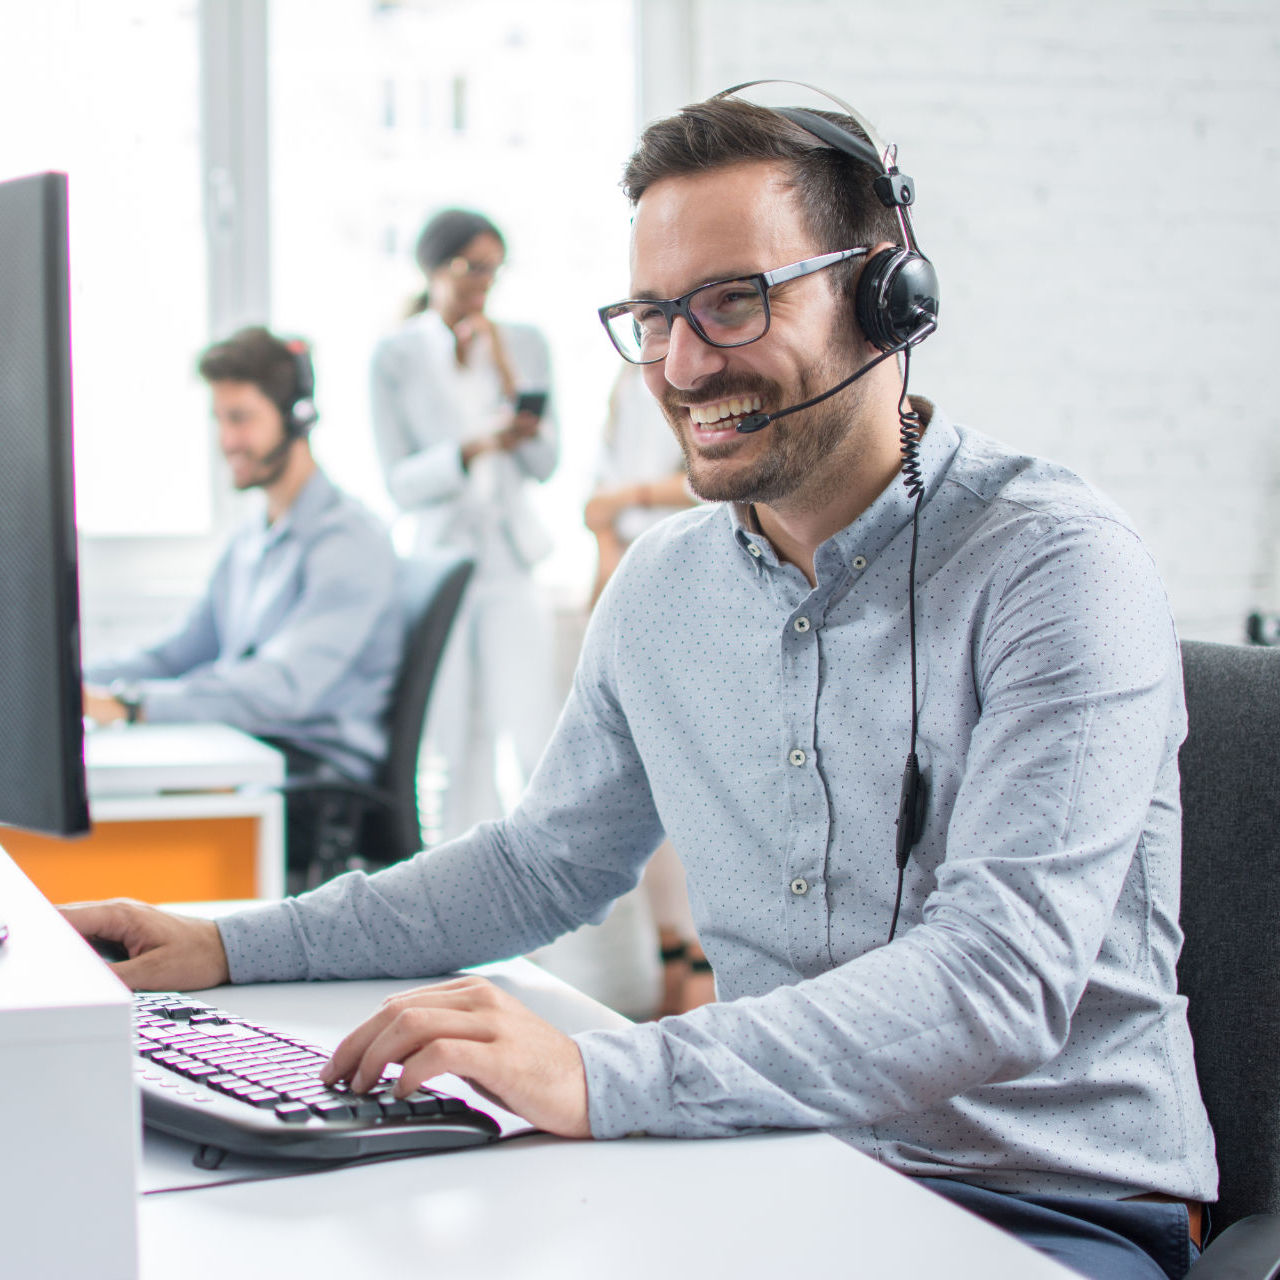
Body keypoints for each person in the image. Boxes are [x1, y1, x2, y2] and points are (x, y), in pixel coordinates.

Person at [67, 92, 1216, 1280]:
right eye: (652, 315)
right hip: (774, 1162)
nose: (678, 363)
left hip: (1046, 1206)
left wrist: (594, 1070)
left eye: (730, 302)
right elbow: (538, 863)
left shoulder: (1054, 566)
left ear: (887, 295)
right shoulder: (665, 584)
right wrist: (222, 943)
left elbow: (999, 976)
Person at [82, 326, 403, 874]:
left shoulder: (348, 542)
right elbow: (177, 654)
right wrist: (67, 681)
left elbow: (283, 688)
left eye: (241, 418)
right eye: (220, 419)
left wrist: (132, 705)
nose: (227, 440)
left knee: (118, 826)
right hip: (251, 756)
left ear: (297, 416)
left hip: (311, 786)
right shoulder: (252, 537)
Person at [369, 208, 560, 842]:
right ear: (434, 268)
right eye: (472, 268)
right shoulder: (395, 356)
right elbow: (399, 483)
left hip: (510, 562)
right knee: (452, 743)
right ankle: (451, 894)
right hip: (442, 564)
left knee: (532, 734)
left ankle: (535, 886)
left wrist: (509, 379)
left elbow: (544, 461)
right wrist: (473, 447)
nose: (485, 282)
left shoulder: (524, 342)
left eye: (494, 270)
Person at [585, 364, 708, 1016]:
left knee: (693, 795)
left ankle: (701, 968)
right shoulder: (624, 388)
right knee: (649, 799)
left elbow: (712, 481)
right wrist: (607, 558)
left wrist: (627, 499)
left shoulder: (701, 378)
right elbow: (600, 503)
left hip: (690, 586)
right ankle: (674, 963)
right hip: (635, 586)